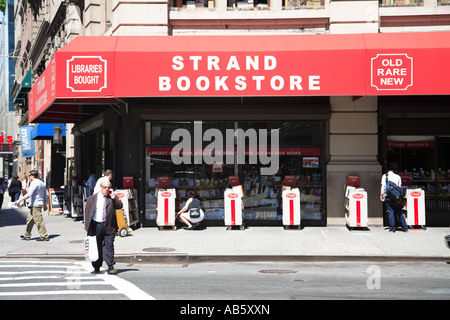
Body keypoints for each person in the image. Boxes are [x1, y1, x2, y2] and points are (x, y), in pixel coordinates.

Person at [84, 180, 123, 274]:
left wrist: (113, 196)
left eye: (109, 187)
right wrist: (87, 227)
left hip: (109, 226)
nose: (107, 189)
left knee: (109, 246)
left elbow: (119, 206)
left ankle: (110, 266)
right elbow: (87, 213)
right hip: (97, 225)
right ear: (101, 187)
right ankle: (96, 266)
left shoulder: (111, 198)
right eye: (105, 187)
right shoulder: (92, 199)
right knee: (96, 246)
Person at [15, 170, 49, 241]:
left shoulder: (34, 183)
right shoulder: (42, 183)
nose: (29, 177)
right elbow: (45, 195)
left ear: (33, 176)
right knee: (30, 220)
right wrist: (45, 204)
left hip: (35, 204)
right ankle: (27, 235)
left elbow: (29, 194)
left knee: (38, 220)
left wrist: (19, 200)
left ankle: (44, 236)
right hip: (37, 204)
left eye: (29, 175)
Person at [380, 168, 408, 233]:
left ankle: (392, 228)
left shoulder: (385, 176)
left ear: (387, 171)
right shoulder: (398, 177)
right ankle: (405, 228)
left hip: (388, 196)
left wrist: (381, 195)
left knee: (390, 212)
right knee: (399, 212)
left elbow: (383, 186)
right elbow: (400, 187)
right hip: (396, 197)